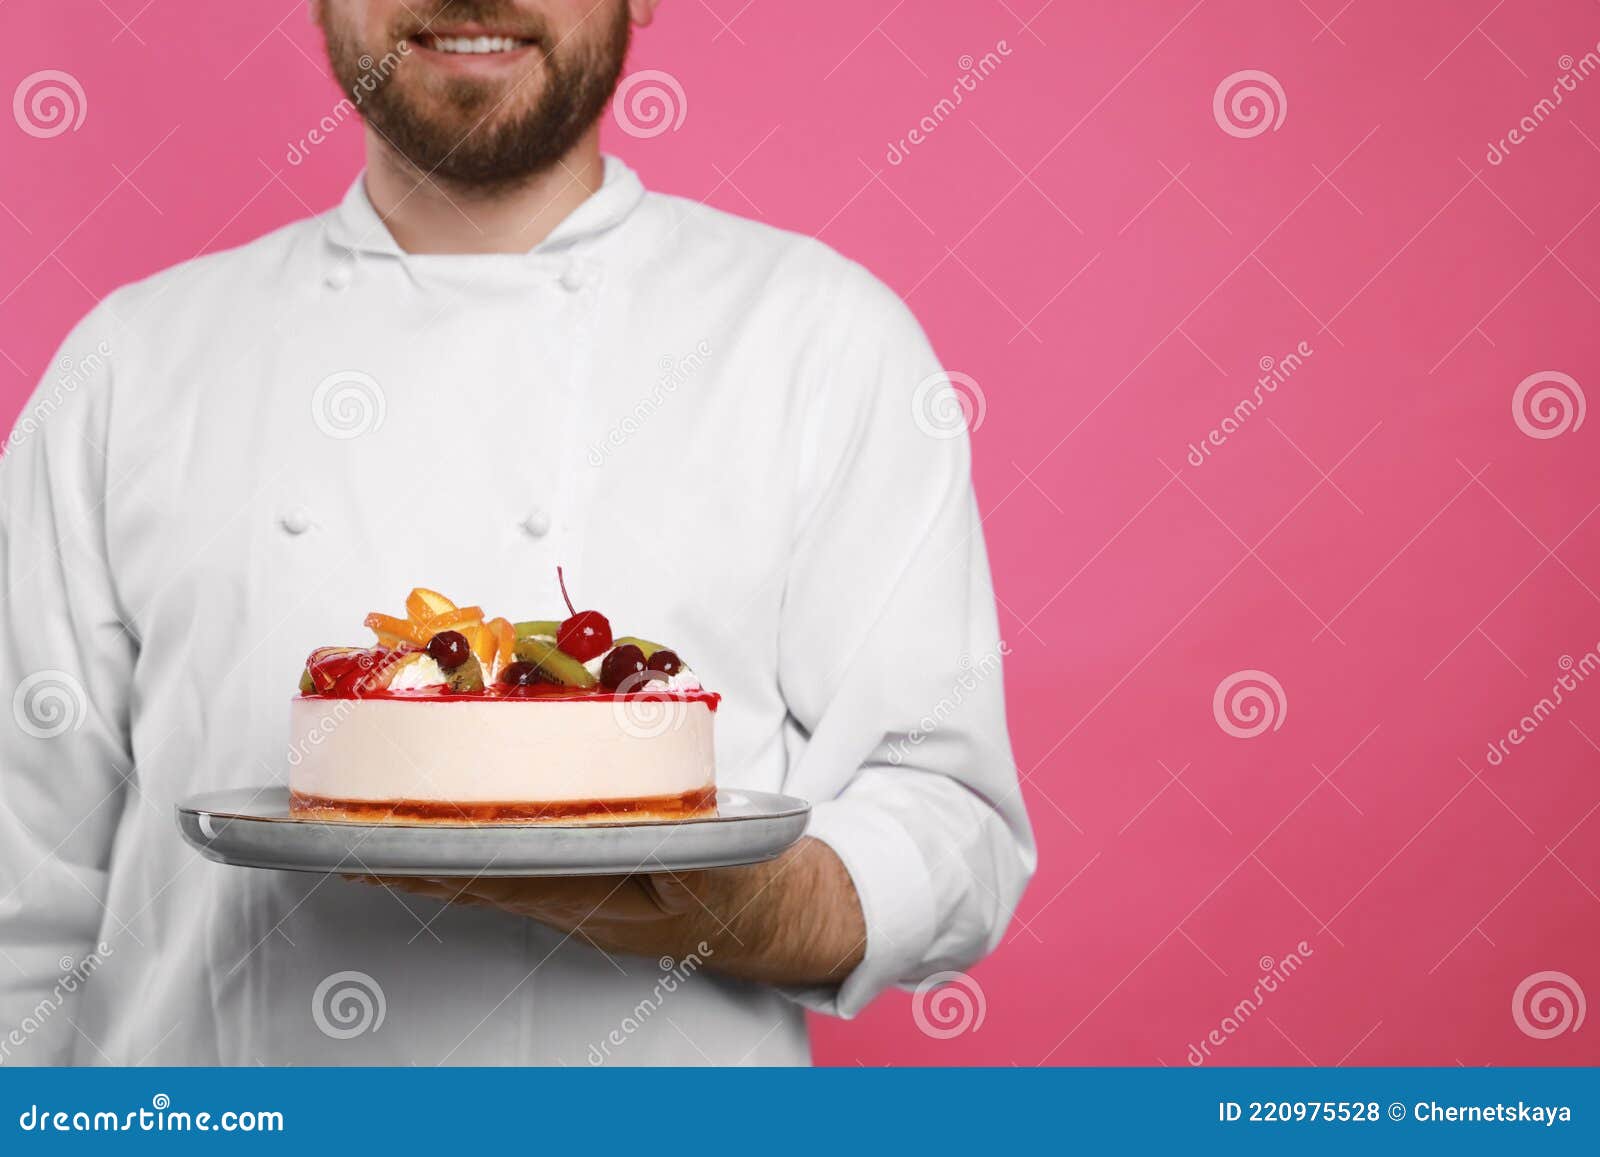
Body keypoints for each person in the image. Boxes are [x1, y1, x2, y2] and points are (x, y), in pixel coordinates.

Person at [0, 0, 1033, 1065]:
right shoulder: (129, 365)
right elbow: (17, 891)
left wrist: (736, 906)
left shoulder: (820, 340)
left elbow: (947, 818)